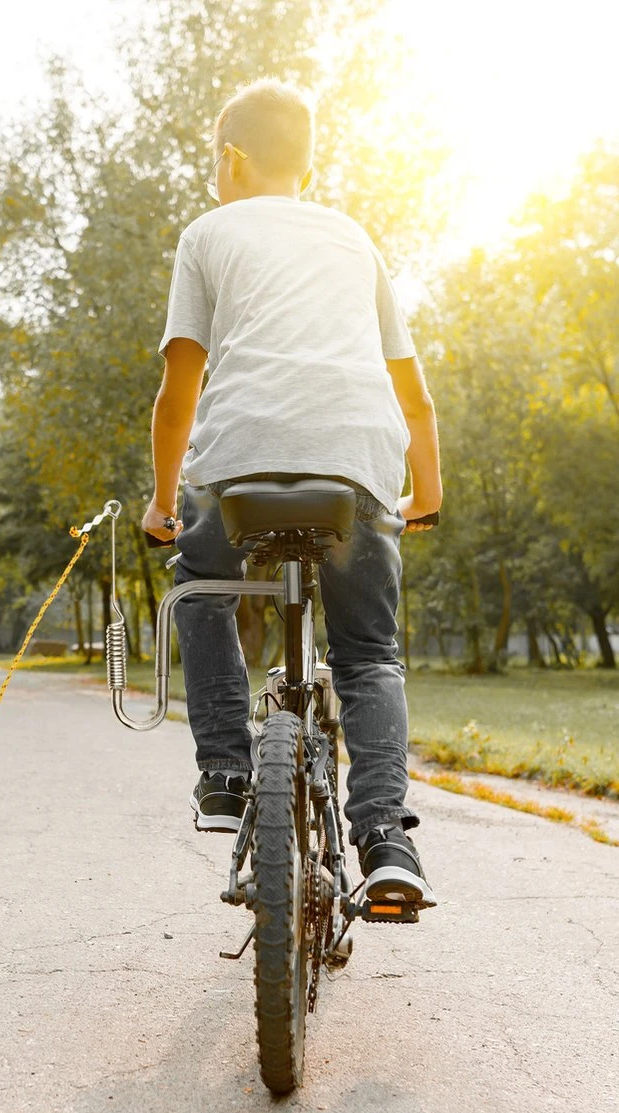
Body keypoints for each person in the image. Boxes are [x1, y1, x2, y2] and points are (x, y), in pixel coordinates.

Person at [141, 78, 441, 907]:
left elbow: (179, 392)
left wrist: (163, 504)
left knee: (200, 591)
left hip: (235, 465)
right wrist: (427, 494)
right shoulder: (355, 238)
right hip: (359, 465)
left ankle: (226, 775)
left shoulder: (208, 232)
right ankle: (385, 839)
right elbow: (413, 396)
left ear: (230, 158)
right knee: (369, 654)